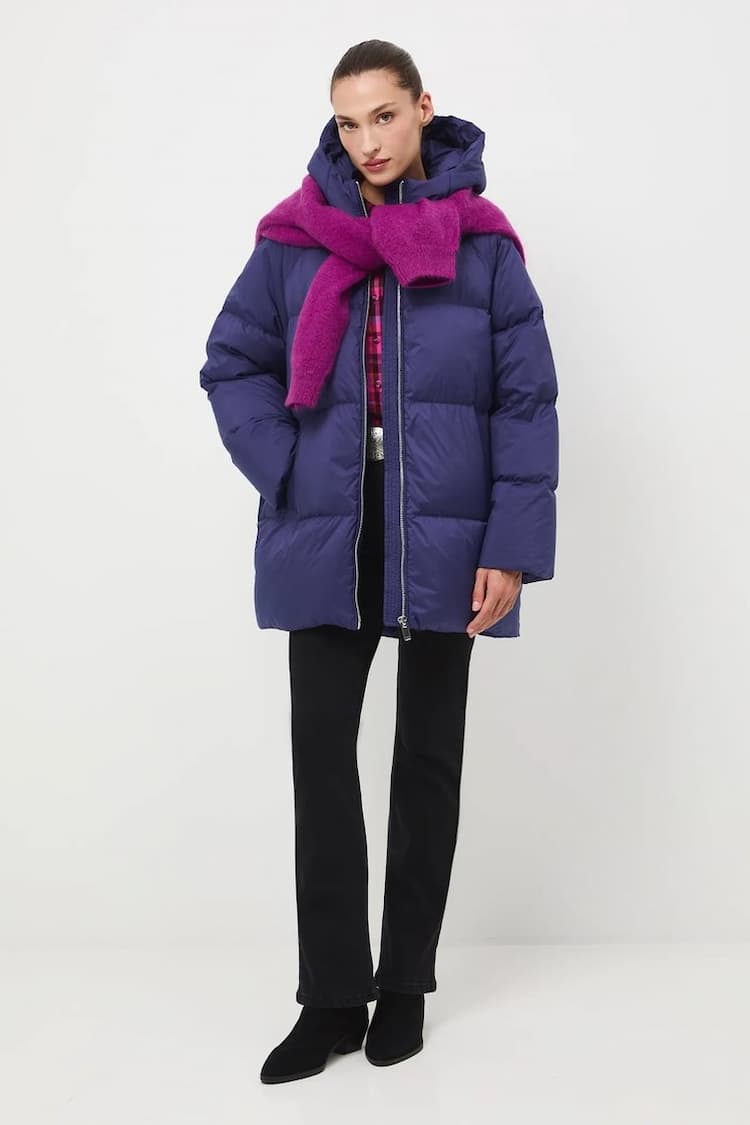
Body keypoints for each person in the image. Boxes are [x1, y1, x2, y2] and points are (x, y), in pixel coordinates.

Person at [199, 39, 559, 1084]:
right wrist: (284, 463)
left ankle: (404, 984)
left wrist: (510, 547)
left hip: (445, 535)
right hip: (327, 530)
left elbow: (525, 402)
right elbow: (231, 362)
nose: (369, 141)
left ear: (422, 108)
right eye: (350, 122)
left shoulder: (481, 247)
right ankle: (330, 1000)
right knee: (323, 766)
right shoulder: (294, 240)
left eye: (386, 116)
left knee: (427, 764)